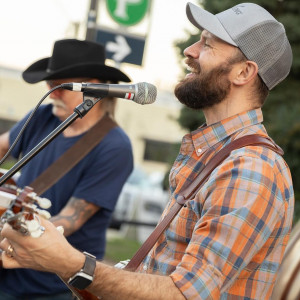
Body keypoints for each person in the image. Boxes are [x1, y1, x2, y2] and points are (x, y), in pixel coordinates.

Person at [0, 2, 295, 299]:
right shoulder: (215, 157)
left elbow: (185, 294)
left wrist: (69, 262)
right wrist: (64, 264)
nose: (189, 51)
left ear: (244, 72)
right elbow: (158, 274)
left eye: (206, 44)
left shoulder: (249, 168)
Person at [0, 39, 134, 299]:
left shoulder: (114, 146)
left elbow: (68, 221)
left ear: (93, 88)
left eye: (61, 87)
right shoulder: (42, 116)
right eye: (50, 86)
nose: (52, 95)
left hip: (53, 286)